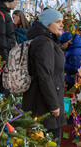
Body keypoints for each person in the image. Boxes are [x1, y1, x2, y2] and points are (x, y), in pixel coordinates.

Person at [22, 9, 66, 145]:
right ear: (47, 24)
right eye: (57, 22)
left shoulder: (47, 40)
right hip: (44, 106)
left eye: (62, 22)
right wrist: (54, 105)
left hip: (43, 101)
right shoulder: (44, 43)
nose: (62, 25)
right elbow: (45, 76)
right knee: (49, 141)